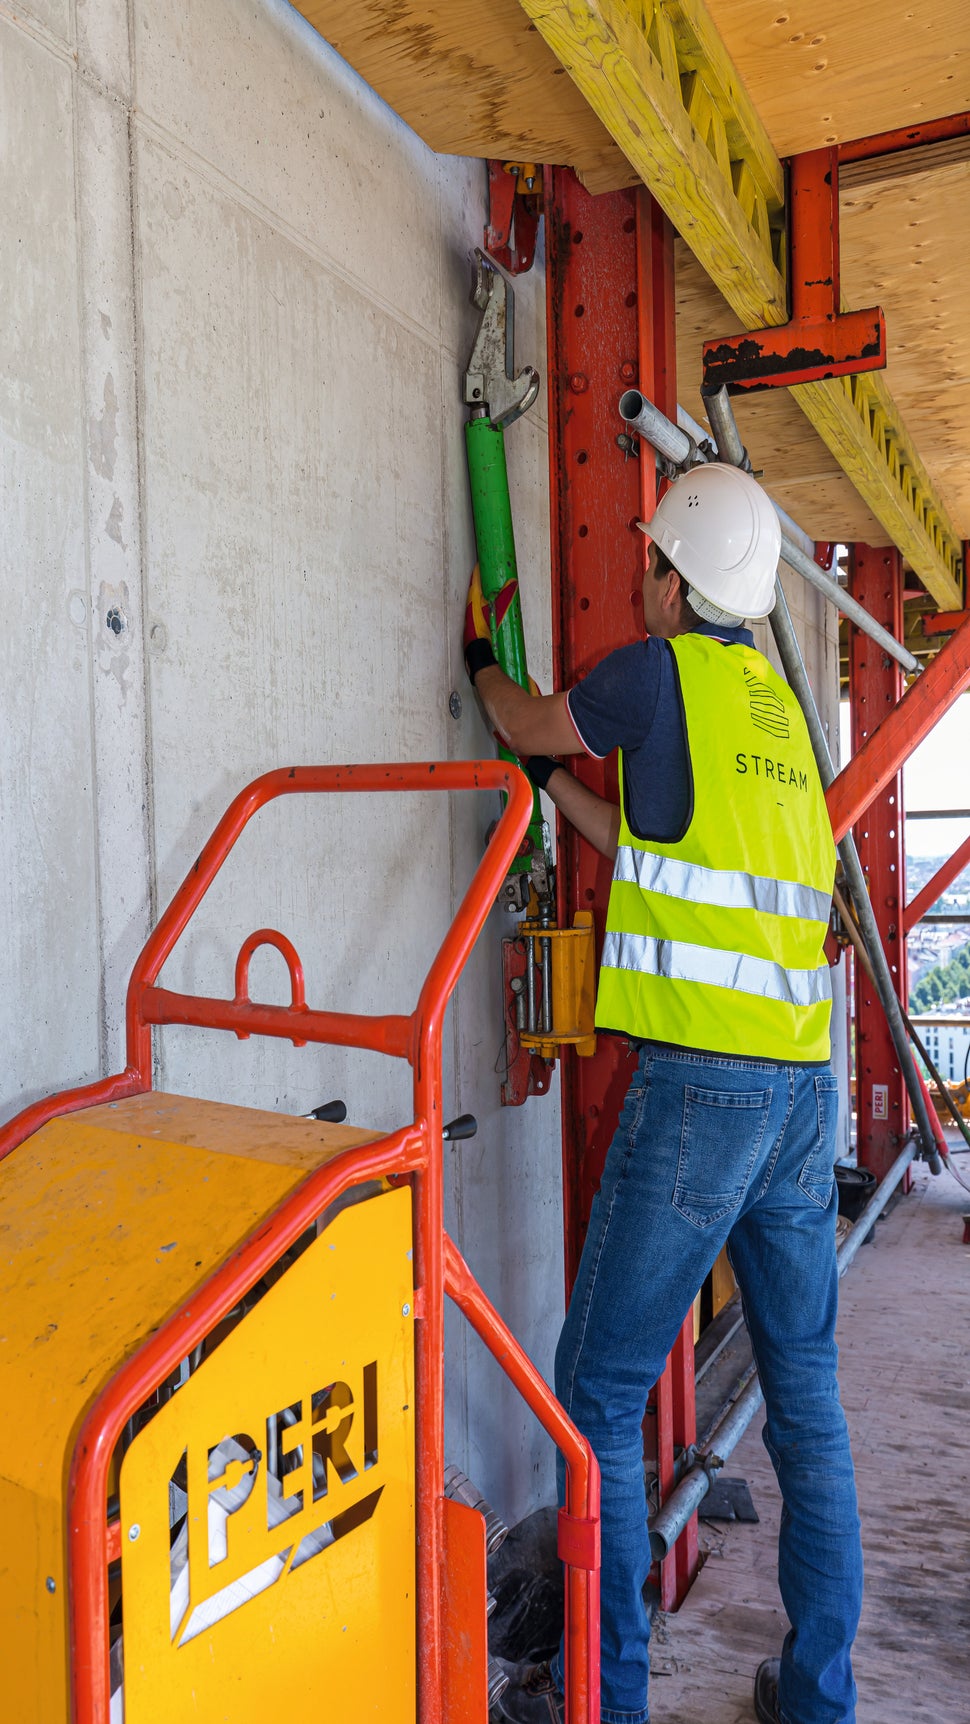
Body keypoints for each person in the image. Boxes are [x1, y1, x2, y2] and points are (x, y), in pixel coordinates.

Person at [463, 462, 863, 1724]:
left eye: (649, 563)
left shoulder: (654, 673)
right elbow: (655, 853)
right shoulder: (778, 717)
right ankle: (819, 1698)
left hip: (702, 1094)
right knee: (807, 1399)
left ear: (674, 579)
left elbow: (527, 717)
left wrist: (479, 663)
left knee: (596, 1392)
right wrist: (558, 794)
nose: (640, 580)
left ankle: (608, 1697)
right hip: (798, 1090)